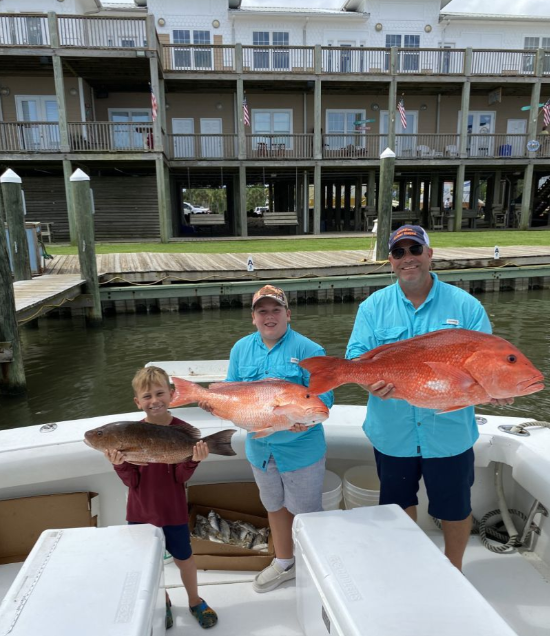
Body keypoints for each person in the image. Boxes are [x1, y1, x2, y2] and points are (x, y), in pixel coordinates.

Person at [345, 225, 512, 571]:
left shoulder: (466, 306)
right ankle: (405, 566)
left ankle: (454, 569)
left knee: (454, 508)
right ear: (390, 261)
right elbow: (358, 358)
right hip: (393, 433)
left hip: (449, 435)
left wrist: (498, 386)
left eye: (415, 250)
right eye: (399, 252)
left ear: (429, 254)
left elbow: (491, 360)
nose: (408, 259)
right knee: (397, 503)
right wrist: (367, 382)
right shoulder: (373, 307)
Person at [225, 284, 334, 592]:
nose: (269, 316)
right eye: (262, 311)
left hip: (301, 450)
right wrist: (216, 402)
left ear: (288, 314)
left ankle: (317, 566)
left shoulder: (309, 350)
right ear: (253, 318)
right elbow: (233, 393)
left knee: (306, 511)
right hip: (260, 448)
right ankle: (284, 562)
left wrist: (306, 422)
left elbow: (325, 396)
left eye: (275, 310)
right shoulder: (240, 349)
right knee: (273, 506)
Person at [105, 366, 218, 630]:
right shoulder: (129, 432)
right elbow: (131, 481)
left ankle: (194, 600)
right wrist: (119, 464)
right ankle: (163, 601)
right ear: (137, 402)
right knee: (150, 564)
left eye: (159, 393)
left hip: (173, 510)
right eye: (147, 396)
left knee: (184, 557)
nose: (154, 401)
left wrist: (193, 461)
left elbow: (180, 479)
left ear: (171, 394)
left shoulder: (183, 430)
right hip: (140, 512)